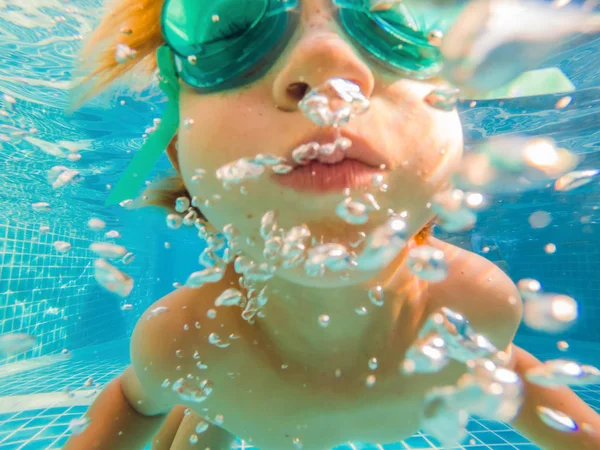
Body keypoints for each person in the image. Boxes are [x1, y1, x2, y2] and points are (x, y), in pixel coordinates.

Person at [65, 0, 600, 449]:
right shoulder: (185, 344)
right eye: (224, 21)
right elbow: (135, 403)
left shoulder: (475, 305)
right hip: (230, 403)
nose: (328, 66)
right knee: (210, 406)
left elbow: (516, 377)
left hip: (237, 403)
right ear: (181, 155)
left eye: (398, 15)